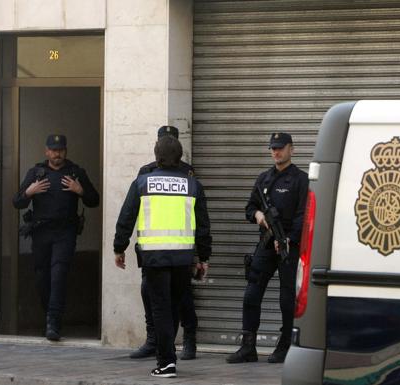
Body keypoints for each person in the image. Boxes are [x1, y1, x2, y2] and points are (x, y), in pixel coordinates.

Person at [114, 135, 211, 378]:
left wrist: (119, 248)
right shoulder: (192, 185)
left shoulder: (142, 183)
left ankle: (166, 361)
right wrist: (203, 257)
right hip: (182, 258)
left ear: (157, 156)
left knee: (160, 310)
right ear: (180, 157)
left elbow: (126, 218)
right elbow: (203, 227)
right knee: (173, 309)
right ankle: (168, 357)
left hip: (154, 258)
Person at [226, 132, 308, 364]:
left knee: (287, 298)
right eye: (273, 148)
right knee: (252, 293)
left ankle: (285, 346)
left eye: (280, 148)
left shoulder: (301, 180)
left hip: (288, 246)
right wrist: (258, 215)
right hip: (265, 243)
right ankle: (248, 347)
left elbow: (303, 214)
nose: (276, 152)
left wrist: (288, 238)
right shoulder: (263, 179)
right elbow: (249, 207)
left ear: (292, 149)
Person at [13, 134, 100, 341]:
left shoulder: (75, 173)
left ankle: (53, 322)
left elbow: (94, 200)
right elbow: (17, 202)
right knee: (43, 278)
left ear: (66, 151)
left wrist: (80, 191)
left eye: (60, 149)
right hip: (41, 232)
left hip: (65, 232)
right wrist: (29, 192)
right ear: (46, 151)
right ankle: (49, 316)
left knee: (59, 274)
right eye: (53, 150)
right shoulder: (36, 173)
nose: (57, 153)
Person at [130, 125, 199, 361]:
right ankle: (154, 341)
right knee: (148, 293)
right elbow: (136, 207)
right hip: (152, 249)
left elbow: (195, 215)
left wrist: (199, 254)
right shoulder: (145, 173)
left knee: (182, 297)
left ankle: (188, 338)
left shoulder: (188, 174)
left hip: (180, 248)